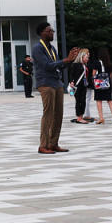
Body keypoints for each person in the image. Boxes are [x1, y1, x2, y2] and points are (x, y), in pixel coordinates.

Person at [31, 21, 80, 154]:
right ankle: (43, 145)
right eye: (49, 30)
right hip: (45, 84)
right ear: (42, 33)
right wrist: (64, 60)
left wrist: (69, 60)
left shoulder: (52, 49)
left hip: (57, 83)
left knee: (58, 115)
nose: (52, 32)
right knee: (48, 114)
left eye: (52, 30)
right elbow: (47, 66)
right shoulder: (37, 48)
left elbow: (59, 65)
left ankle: (53, 144)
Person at [91, 47, 112, 124]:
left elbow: (93, 73)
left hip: (99, 84)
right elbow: (111, 74)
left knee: (99, 100)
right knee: (110, 100)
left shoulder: (97, 63)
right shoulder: (109, 63)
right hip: (108, 84)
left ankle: (101, 118)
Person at [68, 49, 93, 124]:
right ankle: (79, 117)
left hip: (84, 85)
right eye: (86, 57)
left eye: (88, 57)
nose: (87, 59)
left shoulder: (84, 65)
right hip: (77, 86)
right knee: (79, 101)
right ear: (81, 57)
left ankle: (81, 116)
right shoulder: (75, 64)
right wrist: (71, 81)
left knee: (83, 101)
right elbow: (71, 74)